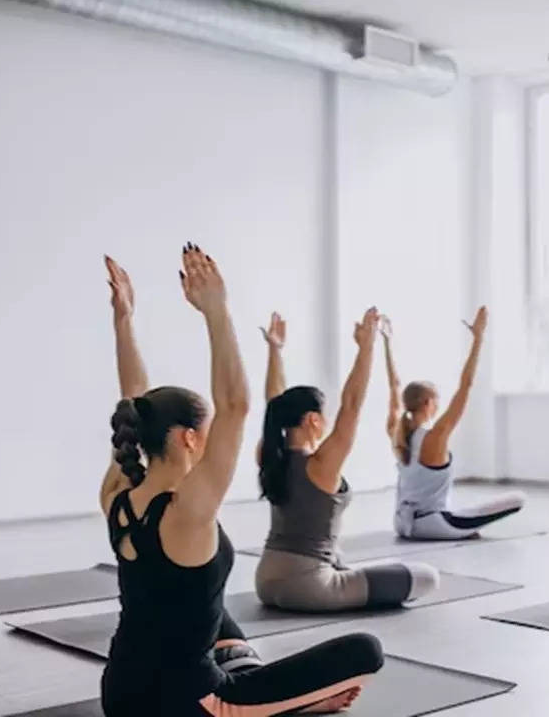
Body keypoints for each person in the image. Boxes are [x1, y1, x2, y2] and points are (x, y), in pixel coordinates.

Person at [99, 248, 383, 716]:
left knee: (215, 612)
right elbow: (234, 403)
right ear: (191, 438)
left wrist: (124, 320)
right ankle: (279, 705)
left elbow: (131, 398)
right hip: (190, 705)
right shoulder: (188, 510)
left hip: (121, 693)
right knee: (365, 650)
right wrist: (216, 309)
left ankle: (267, 693)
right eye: (208, 431)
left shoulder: (118, 493)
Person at [254, 310, 439, 612]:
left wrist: (275, 350)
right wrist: (366, 348)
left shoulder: (268, 455)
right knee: (426, 576)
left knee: (341, 560)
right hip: (309, 587)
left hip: (265, 581)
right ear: (314, 420)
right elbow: (351, 405)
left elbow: (273, 403)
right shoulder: (320, 465)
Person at [386, 308, 525, 540]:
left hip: (401, 523)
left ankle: (460, 525)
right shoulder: (435, 436)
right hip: (432, 525)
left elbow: (394, 387)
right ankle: (459, 529)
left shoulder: (397, 433)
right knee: (518, 499)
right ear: (429, 403)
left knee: (464, 511)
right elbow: (466, 385)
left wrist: (387, 343)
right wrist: (479, 338)